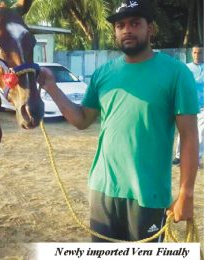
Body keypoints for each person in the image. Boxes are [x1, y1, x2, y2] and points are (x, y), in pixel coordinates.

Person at [38, 0, 199, 242]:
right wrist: (51, 87)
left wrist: (186, 193)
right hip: (103, 190)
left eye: (135, 23)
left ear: (150, 29)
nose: (127, 30)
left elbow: (189, 136)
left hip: (148, 195)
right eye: (120, 25)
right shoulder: (104, 74)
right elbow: (82, 119)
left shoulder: (176, 73)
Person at [173, 45, 204, 165]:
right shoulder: (185, 68)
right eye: (195, 52)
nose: (197, 55)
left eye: (200, 53)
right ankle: (179, 156)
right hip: (187, 104)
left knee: (201, 131)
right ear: (192, 53)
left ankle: (196, 157)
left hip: (203, 106)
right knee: (184, 129)